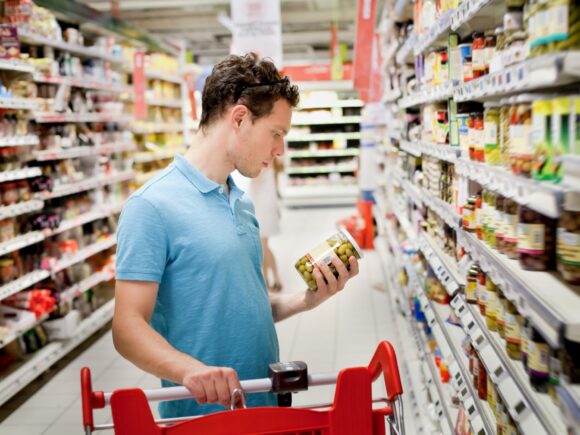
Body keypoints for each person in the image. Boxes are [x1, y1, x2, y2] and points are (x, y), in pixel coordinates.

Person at [113, 53, 360, 419]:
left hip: (262, 404)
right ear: (240, 118)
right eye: (276, 134)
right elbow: (127, 328)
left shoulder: (241, 202)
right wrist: (188, 370)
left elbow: (245, 305)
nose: (280, 150)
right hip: (201, 418)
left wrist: (306, 300)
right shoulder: (151, 206)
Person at [248, 163, 282, 292]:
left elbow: (254, 177)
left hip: (264, 208)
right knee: (262, 245)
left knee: (262, 245)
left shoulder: (264, 163)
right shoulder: (268, 161)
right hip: (262, 205)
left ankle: (275, 279)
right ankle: (267, 280)